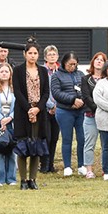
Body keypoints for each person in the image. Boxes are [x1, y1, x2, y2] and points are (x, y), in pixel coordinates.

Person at [13, 39, 50, 190]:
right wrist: (29, 109)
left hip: (39, 112)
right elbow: (17, 92)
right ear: (24, 54)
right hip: (23, 111)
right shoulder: (18, 70)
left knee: (36, 145)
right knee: (23, 145)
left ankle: (33, 179)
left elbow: (46, 92)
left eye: (35, 53)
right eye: (30, 53)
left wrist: (37, 109)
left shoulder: (43, 71)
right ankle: (23, 180)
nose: (33, 56)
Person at [50, 51, 85, 177]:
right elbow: (56, 93)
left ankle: (81, 165)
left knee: (81, 138)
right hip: (64, 111)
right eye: (70, 64)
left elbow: (85, 90)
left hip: (80, 111)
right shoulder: (57, 76)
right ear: (64, 63)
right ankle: (67, 166)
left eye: (75, 64)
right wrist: (72, 100)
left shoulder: (80, 74)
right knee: (67, 139)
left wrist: (80, 100)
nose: (72, 67)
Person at [80, 52, 108, 179]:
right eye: (97, 59)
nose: (99, 62)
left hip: (106, 117)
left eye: (102, 60)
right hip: (91, 115)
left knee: (106, 144)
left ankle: (106, 168)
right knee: (89, 143)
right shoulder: (86, 79)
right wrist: (97, 109)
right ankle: (89, 169)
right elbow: (86, 96)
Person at [40, 45, 60, 174]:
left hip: (59, 109)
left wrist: (57, 105)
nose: (52, 56)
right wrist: (50, 105)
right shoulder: (41, 70)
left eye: (54, 54)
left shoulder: (60, 71)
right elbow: (41, 90)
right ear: (45, 57)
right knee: (45, 137)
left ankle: (51, 164)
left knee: (54, 137)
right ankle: (44, 164)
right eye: (50, 54)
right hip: (45, 108)